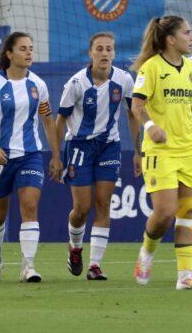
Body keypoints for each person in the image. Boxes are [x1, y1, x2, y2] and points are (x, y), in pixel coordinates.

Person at [130, 16, 192, 290]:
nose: (191, 38)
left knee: (187, 211)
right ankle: (147, 252)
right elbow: (137, 105)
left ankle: (184, 275)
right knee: (165, 212)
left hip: (189, 149)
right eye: (187, 33)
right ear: (170, 39)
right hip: (160, 150)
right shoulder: (151, 67)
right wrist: (151, 126)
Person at [51, 32, 140, 280]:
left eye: (109, 49)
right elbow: (61, 120)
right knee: (82, 208)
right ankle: (75, 248)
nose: (104, 53)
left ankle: (95, 265)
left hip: (109, 147)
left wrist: (138, 152)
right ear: (90, 53)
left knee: (103, 204)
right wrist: (56, 155)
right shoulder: (77, 83)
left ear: (114, 53)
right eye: (99, 49)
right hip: (79, 146)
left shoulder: (123, 80)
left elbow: (133, 114)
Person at [0, 32, 60, 283]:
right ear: (9, 54)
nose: (29, 53)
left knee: (30, 206)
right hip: (0, 158)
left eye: (31, 48)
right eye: (23, 48)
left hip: (30, 155)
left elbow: (47, 119)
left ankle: (28, 266)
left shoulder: (39, 85)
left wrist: (55, 155)